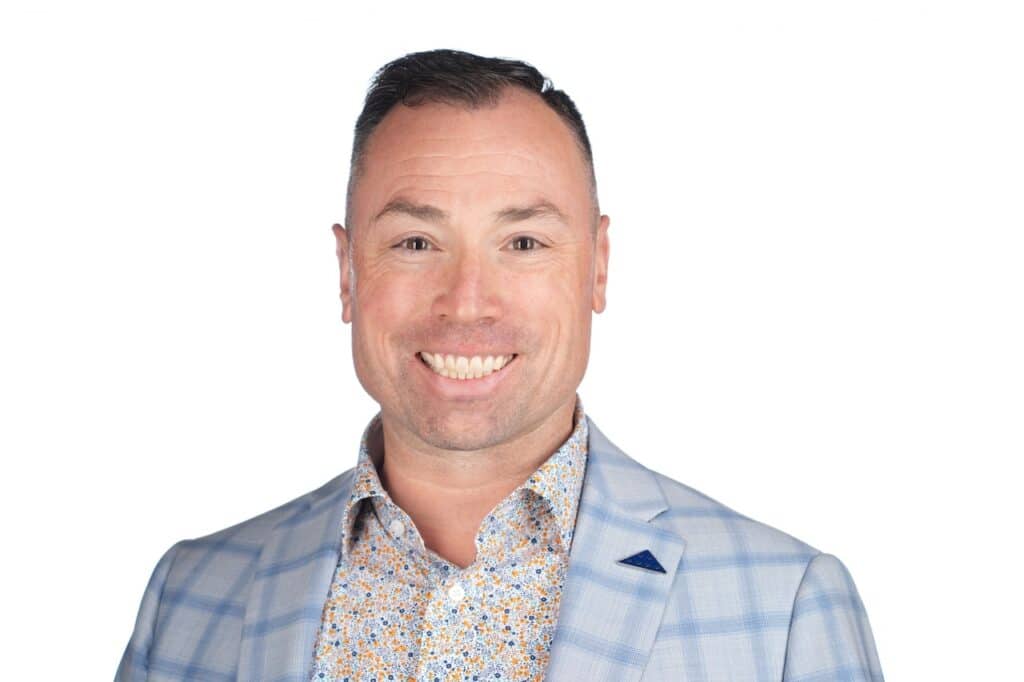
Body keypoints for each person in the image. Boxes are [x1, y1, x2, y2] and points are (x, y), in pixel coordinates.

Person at [116, 48, 884, 682]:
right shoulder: (190, 598)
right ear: (347, 273)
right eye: (416, 243)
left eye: (522, 243)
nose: (466, 303)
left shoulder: (783, 610)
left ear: (597, 268)